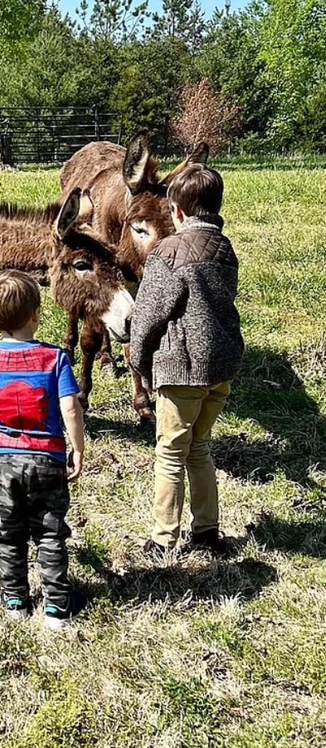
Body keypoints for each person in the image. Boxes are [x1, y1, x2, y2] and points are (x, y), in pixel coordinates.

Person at [130, 163, 244, 557]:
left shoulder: (168, 252)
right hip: (221, 367)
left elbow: (146, 318)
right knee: (200, 447)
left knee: (170, 453)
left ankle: (163, 540)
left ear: (176, 211)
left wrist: (141, 365)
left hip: (182, 369)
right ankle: (207, 532)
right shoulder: (224, 249)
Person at [0, 269, 86, 631]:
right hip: (47, 459)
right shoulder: (55, 358)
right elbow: (70, 408)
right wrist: (77, 447)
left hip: (3, 461)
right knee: (50, 533)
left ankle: (16, 599)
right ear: (36, 315)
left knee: (9, 530)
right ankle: (56, 608)